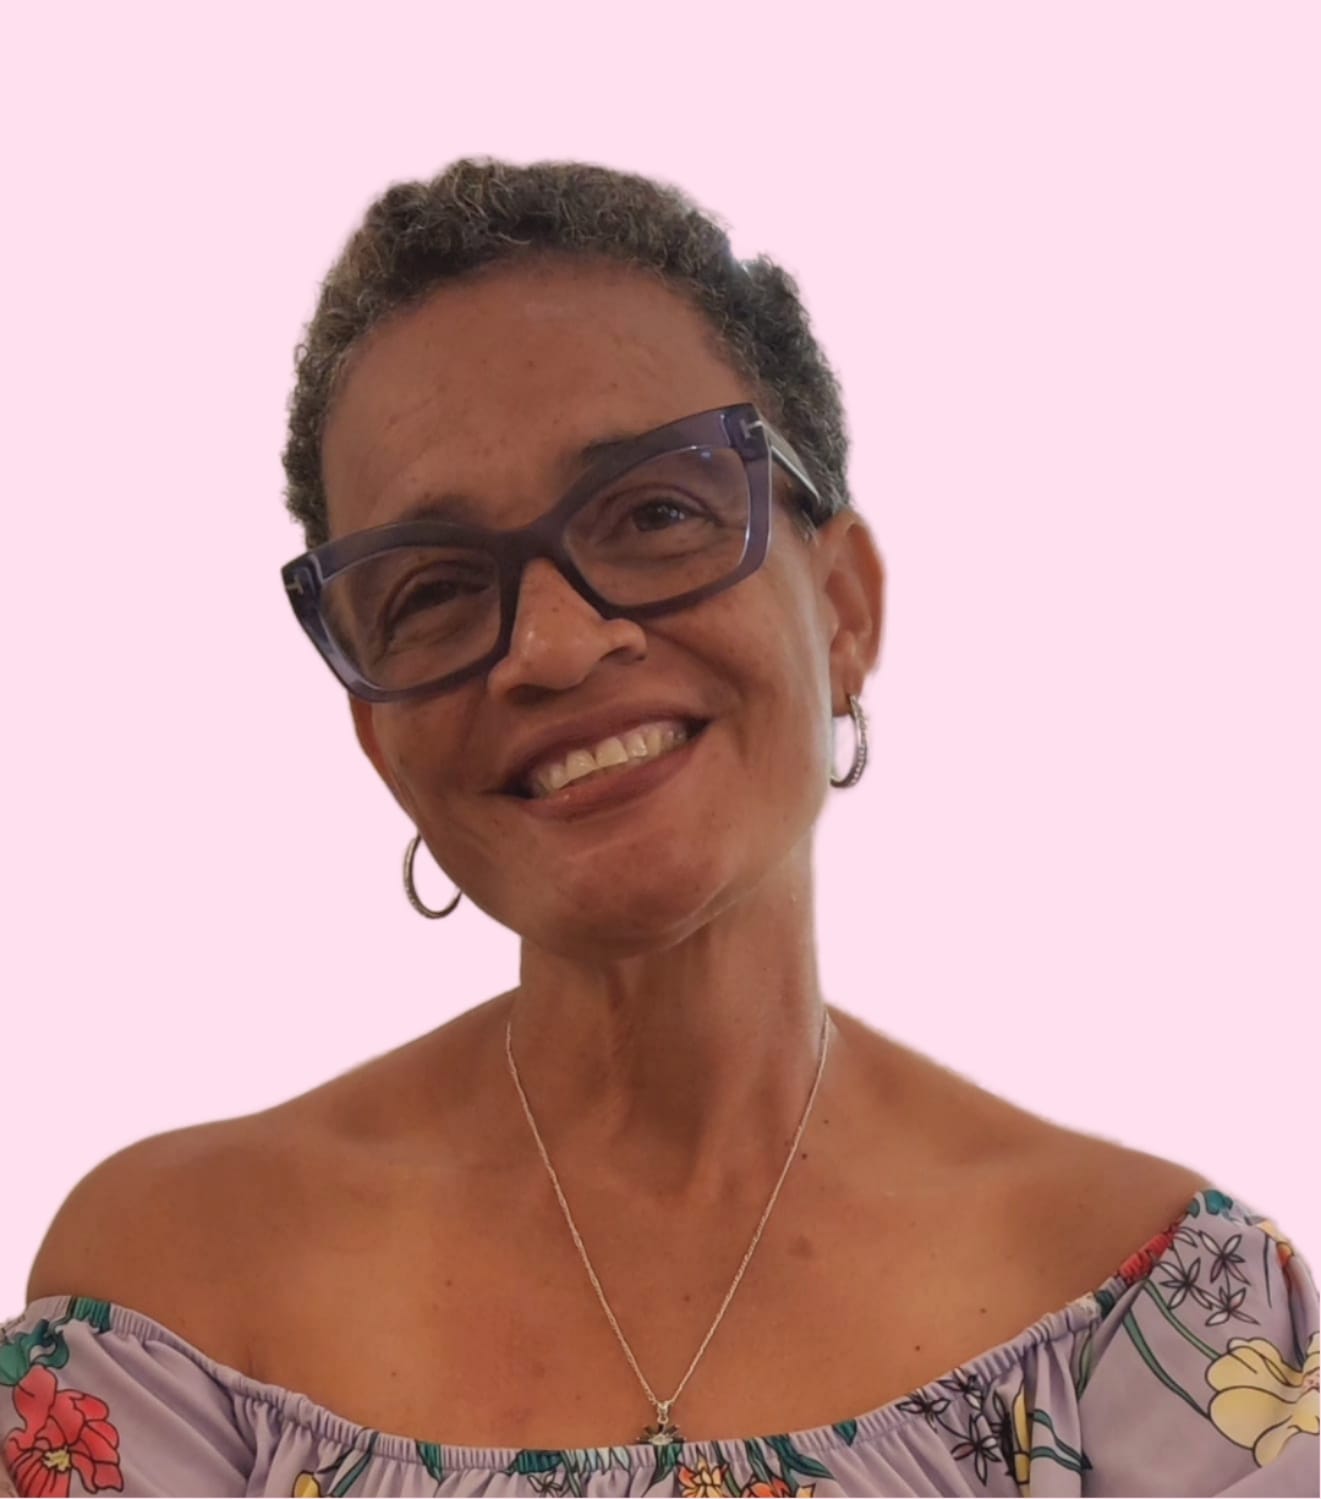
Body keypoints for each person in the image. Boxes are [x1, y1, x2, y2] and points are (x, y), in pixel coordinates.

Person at [2, 158, 1315, 1499]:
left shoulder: (1161, 1320)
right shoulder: (174, 1308)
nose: (554, 646)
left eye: (654, 513)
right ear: (381, 741)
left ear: (843, 609)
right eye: (434, 591)